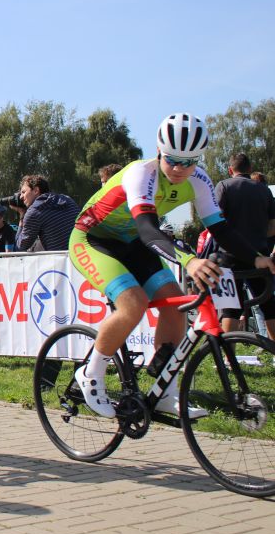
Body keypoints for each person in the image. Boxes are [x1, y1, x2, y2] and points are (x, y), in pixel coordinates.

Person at [69, 113, 275, 418]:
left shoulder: (199, 180)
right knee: (133, 303)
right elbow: (148, 230)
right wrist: (189, 261)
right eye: (172, 159)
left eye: (188, 162)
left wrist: (256, 257)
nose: (179, 168)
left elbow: (221, 229)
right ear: (158, 152)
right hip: (93, 238)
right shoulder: (141, 174)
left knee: (176, 305)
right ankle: (90, 373)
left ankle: (165, 392)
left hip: (132, 242)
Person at [213, 153, 275, 337]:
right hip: (260, 255)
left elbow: (214, 220)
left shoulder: (223, 186)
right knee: (269, 305)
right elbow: (273, 227)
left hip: (229, 255)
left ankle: (228, 352)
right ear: (250, 169)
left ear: (230, 170)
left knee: (230, 309)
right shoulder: (264, 190)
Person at [11, 175, 80, 252]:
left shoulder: (34, 211)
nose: (21, 197)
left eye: (23, 192)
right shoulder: (67, 199)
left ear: (36, 190)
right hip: (82, 253)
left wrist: (22, 215)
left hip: (61, 258)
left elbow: (20, 247)